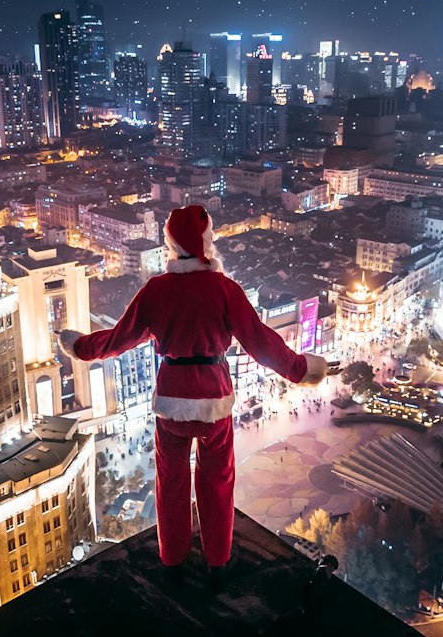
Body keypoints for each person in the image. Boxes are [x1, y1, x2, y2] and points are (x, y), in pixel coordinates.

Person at [59, 203, 332, 592]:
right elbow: (261, 342)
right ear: (207, 244)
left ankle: (171, 560)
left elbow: (117, 339)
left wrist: (78, 346)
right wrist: (302, 369)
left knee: (170, 481)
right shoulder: (225, 289)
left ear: (170, 244)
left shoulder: (155, 290)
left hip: (171, 398)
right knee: (217, 481)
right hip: (214, 398)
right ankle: (217, 562)